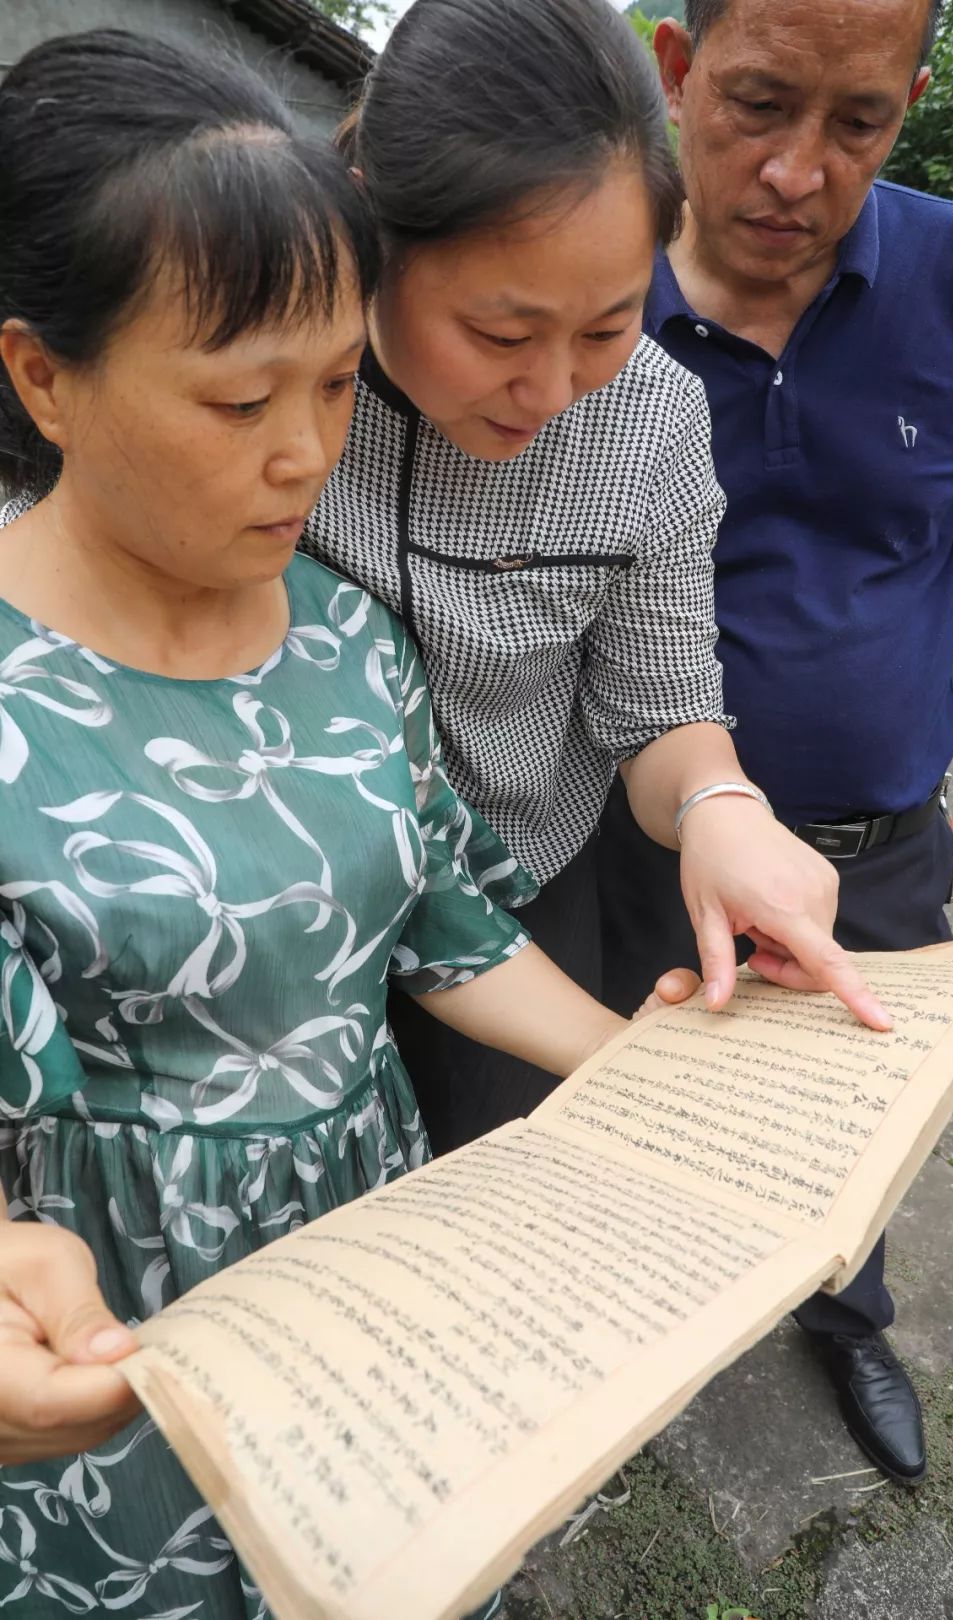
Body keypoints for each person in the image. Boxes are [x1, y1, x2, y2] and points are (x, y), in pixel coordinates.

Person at [0, 31, 700, 1618]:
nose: (308, 454)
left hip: (368, 1285)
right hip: (122, 1343)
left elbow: (442, 918)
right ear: (42, 373)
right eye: (241, 398)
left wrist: (649, 1077)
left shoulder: (338, 635)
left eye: (333, 384)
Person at [597, 0, 953, 1484]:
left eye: (857, 122)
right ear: (674, 71)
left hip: (880, 840)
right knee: (631, 1107)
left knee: (854, 1125)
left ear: (912, 103)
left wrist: (868, 674)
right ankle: (628, 1321)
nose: (798, 171)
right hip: (636, 844)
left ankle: (846, 1317)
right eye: (755, 104)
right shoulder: (589, 283)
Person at [311, 0, 890, 1162]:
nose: (554, 388)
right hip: (287, 897)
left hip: (520, 886)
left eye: (608, 324)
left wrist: (724, 813)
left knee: (516, 1185)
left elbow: (663, 702)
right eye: (501, 331)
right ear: (375, 227)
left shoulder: (655, 418)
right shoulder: (273, 388)